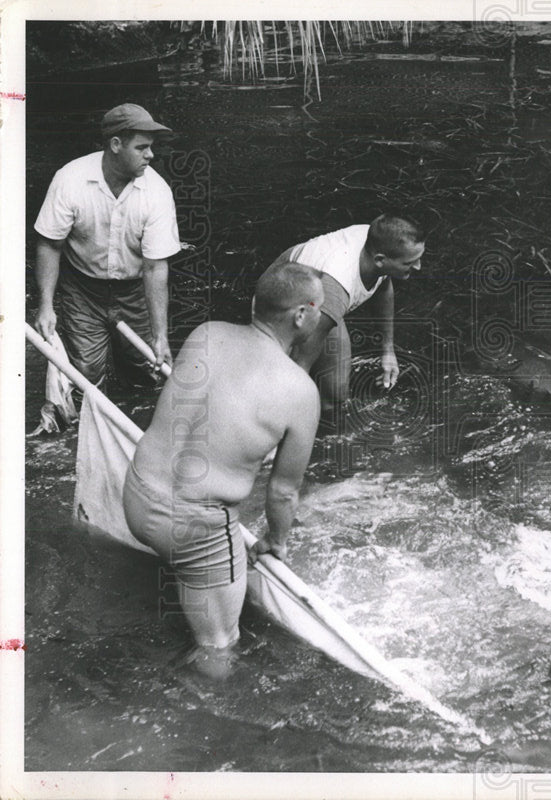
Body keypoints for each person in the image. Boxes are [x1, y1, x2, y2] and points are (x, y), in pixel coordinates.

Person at [122, 260, 323, 675]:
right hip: (196, 529)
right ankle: (201, 731)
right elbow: (283, 491)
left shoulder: (206, 333)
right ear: (301, 315)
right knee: (220, 646)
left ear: (255, 303)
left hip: (138, 493)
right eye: (319, 307)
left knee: (189, 565)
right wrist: (277, 544)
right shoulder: (301, 392)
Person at [33, 103, 180, 394]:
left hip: (134, 290)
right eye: (142, 148)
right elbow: (50, 245)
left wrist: (159, 335)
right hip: (82, 289)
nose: (150, 155)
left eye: (151, 148)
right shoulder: (70, 179)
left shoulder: (158, 193)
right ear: (115, 144)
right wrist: (46, 306)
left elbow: (155, 267)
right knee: (86, 377)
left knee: (147, 374)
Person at [269, 214, 424, 429]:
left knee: (335, 394)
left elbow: (383, 286)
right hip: (283, 298)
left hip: (317, 290)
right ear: (380, 259)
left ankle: (321, 429)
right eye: (410, 262)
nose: (418, 267)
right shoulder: (335, 288)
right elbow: (300, 362)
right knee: (297, 380)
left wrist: (387, 351)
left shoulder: (381, 243)